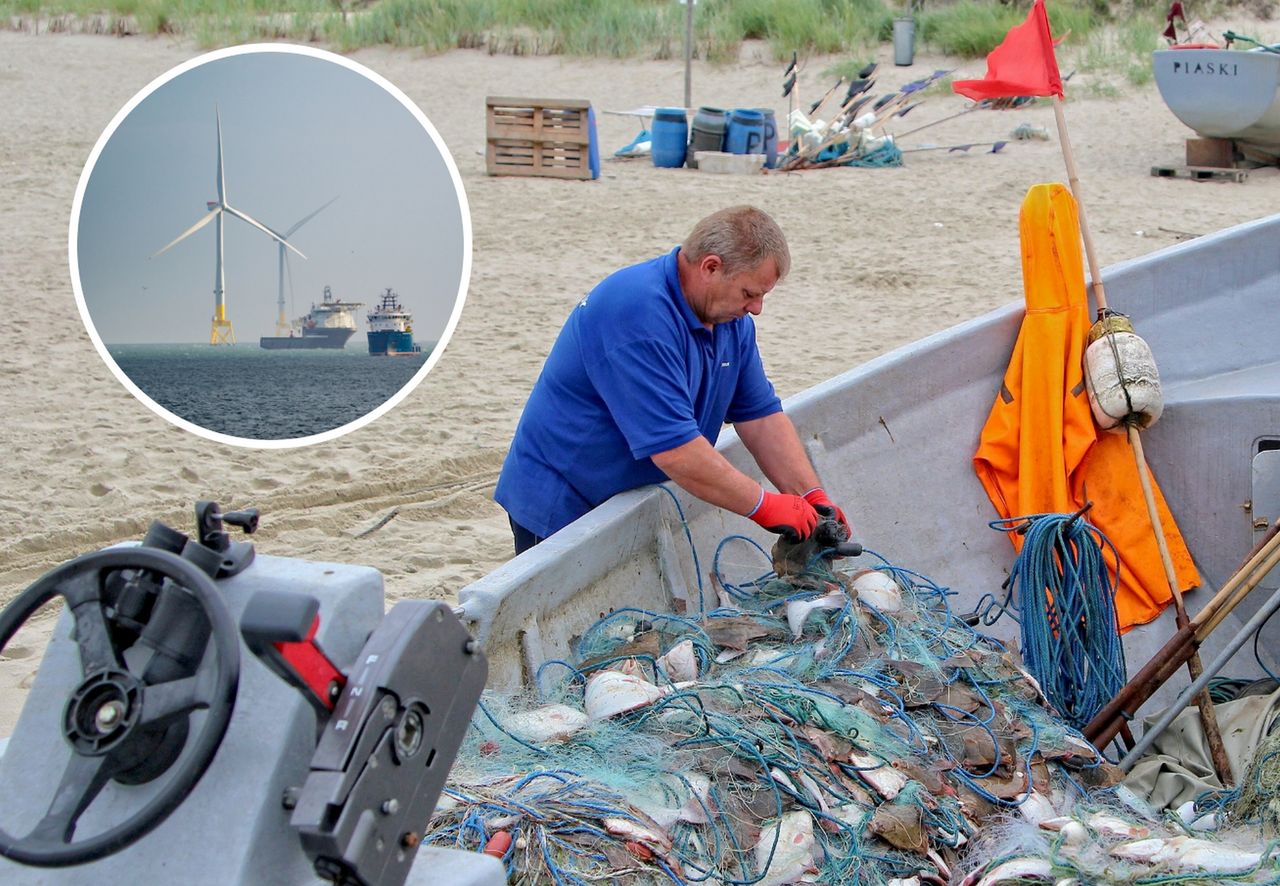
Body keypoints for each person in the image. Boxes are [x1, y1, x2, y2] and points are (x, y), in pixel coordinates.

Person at [494, 205, 850, 554]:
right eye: (749, 293)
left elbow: (760, 417)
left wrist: (810, 496)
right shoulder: (637, 313)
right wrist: (764, 506)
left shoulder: (731, 321)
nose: (756, 308)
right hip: (562, 500)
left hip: (629, 494)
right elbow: (676, 452)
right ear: (711, 267)